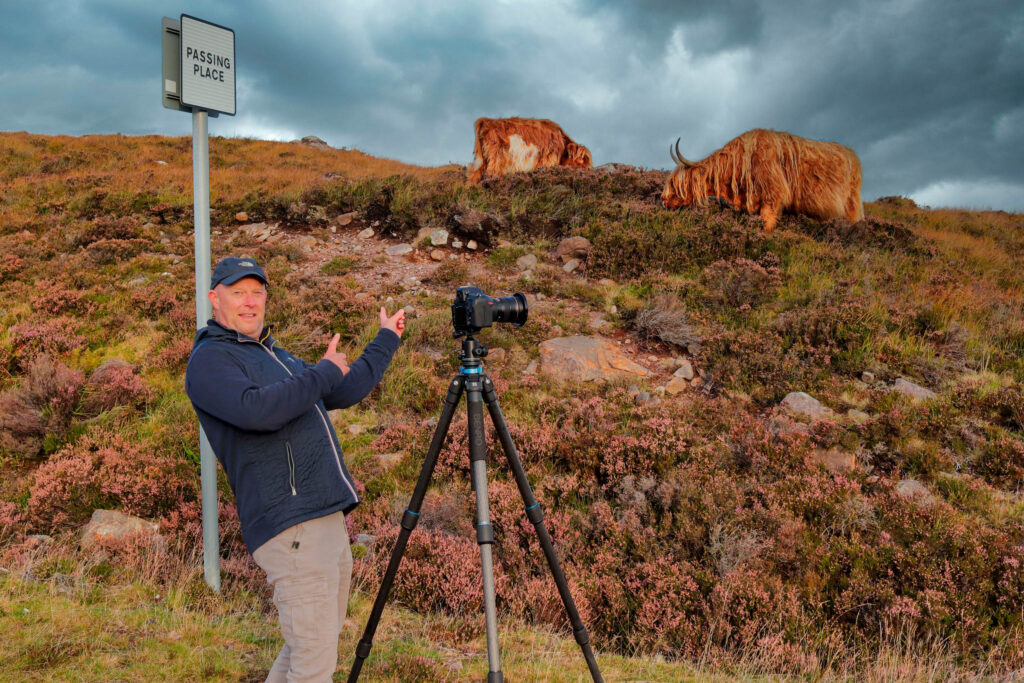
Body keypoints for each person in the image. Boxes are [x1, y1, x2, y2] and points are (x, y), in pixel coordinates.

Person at [185, 256, 404, 682]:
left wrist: (384, 340)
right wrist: (320, 373)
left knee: (311, 643)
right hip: (292, 526)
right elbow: (258, 411)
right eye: (238, 292)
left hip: (321, 518)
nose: (250, 302)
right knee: (313, 658)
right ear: (215, 298)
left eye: (257, 292)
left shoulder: (273, 355)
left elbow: (343, 387)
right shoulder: (210, 361)